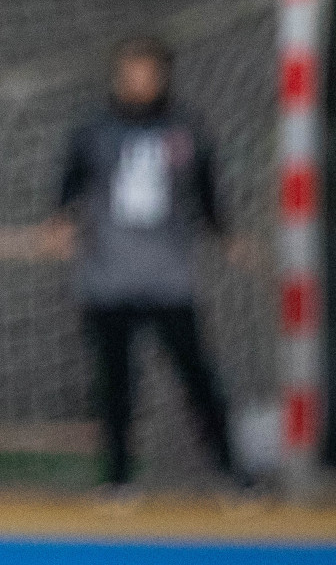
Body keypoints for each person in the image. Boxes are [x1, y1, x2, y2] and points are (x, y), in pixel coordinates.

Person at [48, 35, 251, 493]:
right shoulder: (93, 130)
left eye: (147, 72)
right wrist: (60, 222)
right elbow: (68, 185)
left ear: (161, 76)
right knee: (115, 382)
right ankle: (118, 477)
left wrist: (226, 235)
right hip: (109, 275)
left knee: (197, 375)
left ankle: (232, 472)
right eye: (130, 72)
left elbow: (207, 190)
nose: (138, 81)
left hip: (168, 275)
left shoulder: (185, 129)